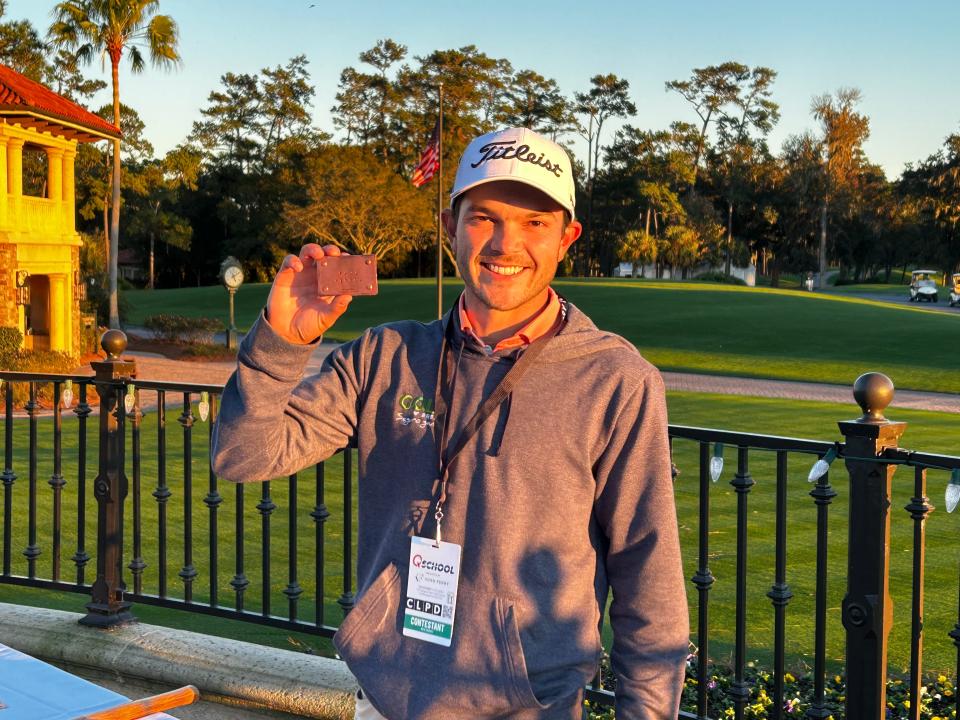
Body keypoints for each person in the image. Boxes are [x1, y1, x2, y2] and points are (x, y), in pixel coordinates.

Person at [212, 127, 689, 719]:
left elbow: (650, 579)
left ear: (568, 237)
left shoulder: (616, 379)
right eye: (483, 217)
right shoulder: (383, 356)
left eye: (535, 223)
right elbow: (242, 455)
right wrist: (281, 339)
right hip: (384, 702)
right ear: (450, 227)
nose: (504, 243)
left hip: (526, 709)